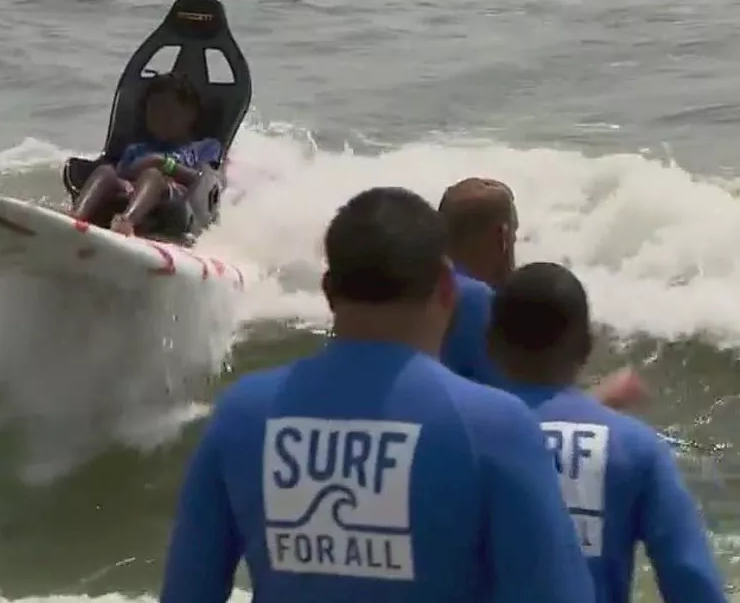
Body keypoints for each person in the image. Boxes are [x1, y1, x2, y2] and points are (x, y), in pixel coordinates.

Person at [159, 187, 594, 603]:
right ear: (447, 287)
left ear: (329, 291)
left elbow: (186, 593)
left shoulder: (242, 416)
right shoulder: (499, 427)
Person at [489, 262, 727, 603]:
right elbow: (692, 580)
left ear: (491, 344)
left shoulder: (467, 437)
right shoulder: (635, 447)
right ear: (586, 347)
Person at [438, 177, 647, 407]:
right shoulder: (475, 301)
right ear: (502, 238)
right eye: (514, 236)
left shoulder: (421, 286)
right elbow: (525, 415)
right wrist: (606, 398)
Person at [69, 72, 222, 236]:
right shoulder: (136, 149)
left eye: (167, 110)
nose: (159, 116)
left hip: (176, 203)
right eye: (153, 110)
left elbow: (204, 181)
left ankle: (126, 222)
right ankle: (75, 218)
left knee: (152, 175)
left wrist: (164, 165)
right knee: (105, 171)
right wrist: (140, 167)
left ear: (190, 114)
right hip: (130, 192)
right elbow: (120, 175)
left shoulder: (204, 147)